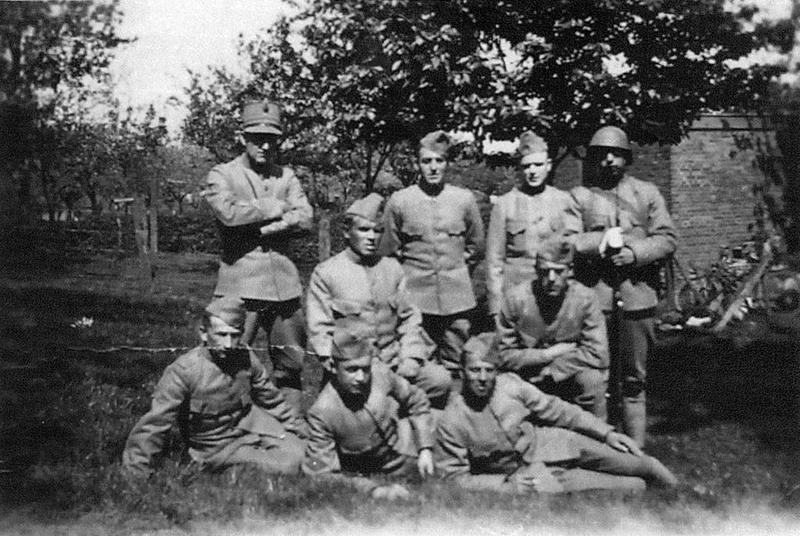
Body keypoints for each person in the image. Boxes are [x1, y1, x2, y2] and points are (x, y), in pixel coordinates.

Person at [435, 333, 678, 493]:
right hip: (530, 476)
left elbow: (559, 410)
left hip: (555, 443)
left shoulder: (511, 385)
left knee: (643, 465)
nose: (482, 378)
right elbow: (454, 478)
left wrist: (606, 433)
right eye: (474, 370)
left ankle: (684, 492)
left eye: (489, 370)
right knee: (632, 485)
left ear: (496, 371)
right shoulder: (452, 420)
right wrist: (505, 486)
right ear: (462, 373)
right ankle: (671, 502)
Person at [202, 99, 313, 409]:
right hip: (241, 285)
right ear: (243, 137)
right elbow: (228, 214)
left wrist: (267, 228)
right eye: (257, 138)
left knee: (291, 365)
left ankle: (290, 427)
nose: (265, 145)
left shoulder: (286, 176)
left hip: (284, 287)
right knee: (229, 364)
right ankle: (225, 427)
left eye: (271, 139)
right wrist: (274, 208)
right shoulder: (223, 174)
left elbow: (306, 217)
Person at [571, 126, 678, 446]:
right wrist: (602, 242)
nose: (609, 160)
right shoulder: (581, 197)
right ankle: (599, 448)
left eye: (616, 154)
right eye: (602, 154)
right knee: (596, 376)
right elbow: (570, 240)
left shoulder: (647, 194)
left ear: (627, 158)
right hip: (597, 300)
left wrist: (635, 253)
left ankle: (636, 450)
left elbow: (667, 238)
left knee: (634, 380)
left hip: (637, 297)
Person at [122, 296, 306, 476]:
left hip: (252, 428)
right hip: (217, 446)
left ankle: (252, 459)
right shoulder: (184, 371)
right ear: (203, 333)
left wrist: (302, 430)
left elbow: (272, 401)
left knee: (307, 452)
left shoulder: (245, 357)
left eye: (235, 335)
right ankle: (229, 469)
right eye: (221, 335)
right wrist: (137, 471)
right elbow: (155, 422)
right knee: (289, 465)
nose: (228, 344)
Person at [306, 193, 450, 401]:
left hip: (394, 362)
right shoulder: (327, 273)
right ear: (347, 232)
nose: (372, 237)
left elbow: (409, 319)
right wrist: (339, 363)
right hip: (355, 368)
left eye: (378, 230)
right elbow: (320, 330)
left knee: (440, 380)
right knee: (369, 403)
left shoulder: (393, 269)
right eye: (364, 230)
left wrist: (410, 357)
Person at [379, 130, 485, 378]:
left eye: (439, 161)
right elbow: (389, 251)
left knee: (457, 362)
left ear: (447, 163)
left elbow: (476, 246)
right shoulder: (400, 201)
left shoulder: (464, 200)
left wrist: (456, 271)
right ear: (418, 164)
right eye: (427, 161)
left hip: (457, 299)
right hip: (417, 299)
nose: (433, 167)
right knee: (417, 364)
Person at [302, 331, 436, 500]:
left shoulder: (380, 373)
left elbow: (416, 400)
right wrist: (372, 490)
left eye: (365, 369)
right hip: (364, 468)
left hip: (403, 446)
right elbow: (320, 474)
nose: (361, 378)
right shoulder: (322, 412)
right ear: (333, 368)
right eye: (352, 370)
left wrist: (425, 448)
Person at [496, 238, 609, 419]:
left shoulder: (586, 299)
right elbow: (502, 355)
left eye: (558, 271)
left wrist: (553, 370)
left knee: (592, 380)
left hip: (568, 374)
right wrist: (545, 355)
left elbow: (598, 353)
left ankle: (597, 433)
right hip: (526, 375)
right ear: (536, 271)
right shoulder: (516, 299)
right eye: (544, 271)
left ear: (570, 271)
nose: (551, 279)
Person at [486, 131, 582, 316]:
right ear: (520, 169)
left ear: (548, 165)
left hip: (555, 292)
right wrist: (496, 307)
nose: (532, 171)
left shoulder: (565, 201)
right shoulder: (505, 204)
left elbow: (574, 253)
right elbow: (494, 261)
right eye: (526, 166)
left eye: (538, 165)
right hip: (516, 294)